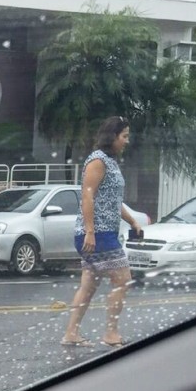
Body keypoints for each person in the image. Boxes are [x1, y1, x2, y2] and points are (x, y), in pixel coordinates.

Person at [62, 116, 147, 348]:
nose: (127, 141)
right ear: (113, 137)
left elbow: (113, 201)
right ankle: (111, 333)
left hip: (101, 233)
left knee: (88, 286)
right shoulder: (98, 161)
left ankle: (71, 333)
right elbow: (87, 195)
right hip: (97, 235)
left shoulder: (110, 162)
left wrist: (133, 222)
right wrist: (90, 232)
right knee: (123, 281)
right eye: (124, 136)